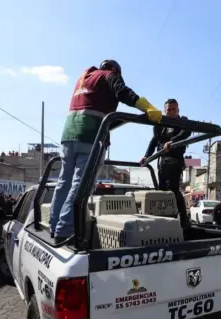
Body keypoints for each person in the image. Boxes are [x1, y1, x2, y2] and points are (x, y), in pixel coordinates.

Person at [49, 59, 162, 243]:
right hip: (90, 138)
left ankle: (54, 226)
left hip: (69, 137)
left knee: (64, 183)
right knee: (80, 184)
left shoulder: (85, 79)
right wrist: (147, 107)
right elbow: (124, 92)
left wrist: (127, 118)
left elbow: (102, 117)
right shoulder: (110, 76)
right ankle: (65, 231)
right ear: (115, 71)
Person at [141, 99, 191, 227]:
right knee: (162, 190)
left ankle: (184, 221)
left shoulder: (182, 121)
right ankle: (164, 219)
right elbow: (154, 141)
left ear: (178, 110)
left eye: (174, 109)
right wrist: (146, 156)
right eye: (169, 109)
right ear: (165, 110)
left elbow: (186, 131)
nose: (171, 112)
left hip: (175, 159)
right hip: (162, 160)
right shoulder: (160, 124)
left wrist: (172, 141)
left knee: (173, 189)